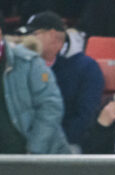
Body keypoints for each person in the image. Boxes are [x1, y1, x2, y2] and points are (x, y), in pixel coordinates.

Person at [0, 5, 70, 154]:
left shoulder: (28, 62)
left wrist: (35, 150)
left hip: (33, 154)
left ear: (1, 33)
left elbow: (51, 106)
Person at [22, 10, 104, 149]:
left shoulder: (86, 67)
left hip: (69, 145)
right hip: (30, 143)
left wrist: (53, 142)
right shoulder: (26, 65)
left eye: (33, 34)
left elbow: (85, 117)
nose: (27, 41)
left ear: (52, 35)